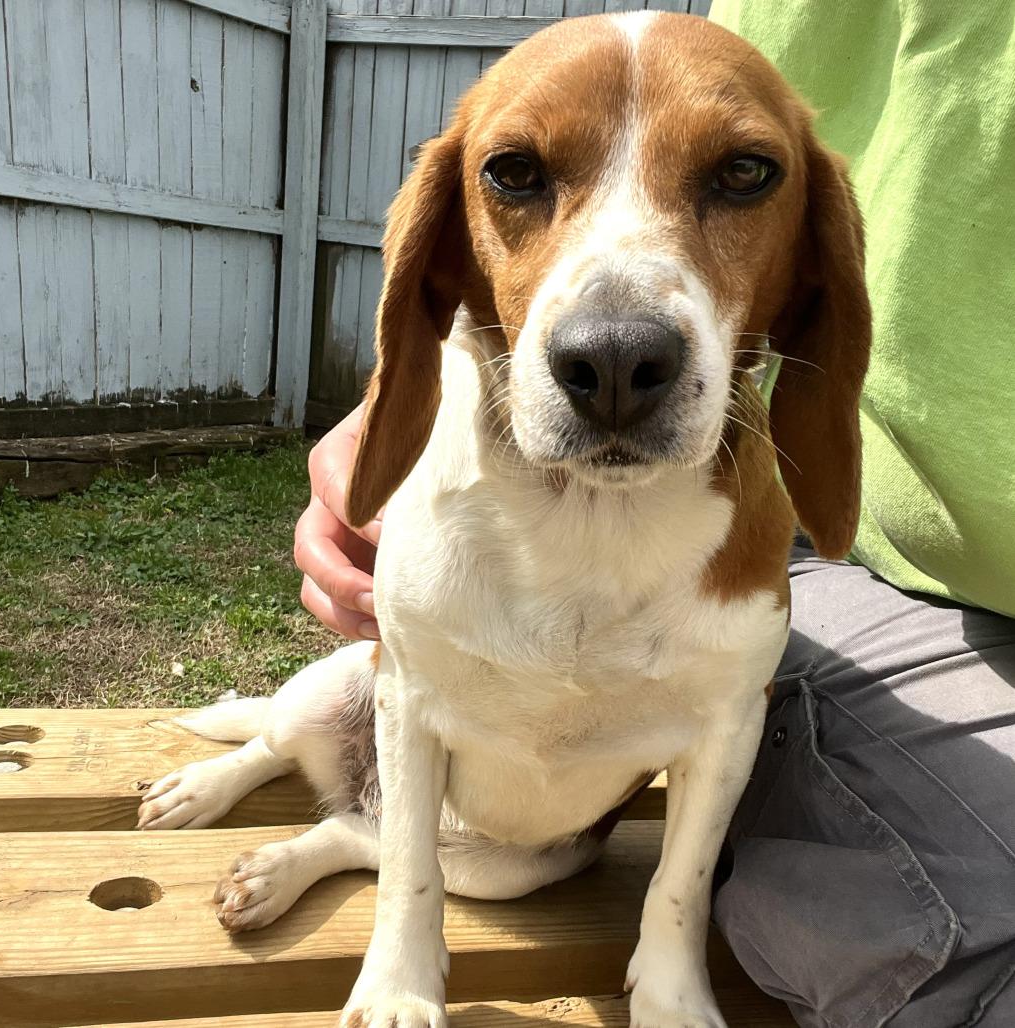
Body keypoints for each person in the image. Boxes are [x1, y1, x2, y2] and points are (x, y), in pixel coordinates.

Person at [293, 2, 1015, 1024]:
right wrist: (399, 395)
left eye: (736, 177)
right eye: (519, 176)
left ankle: (669, 949)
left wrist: (664, 945)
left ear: (804, 262)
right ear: (448, 250)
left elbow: (721, 716)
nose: (614, 338)